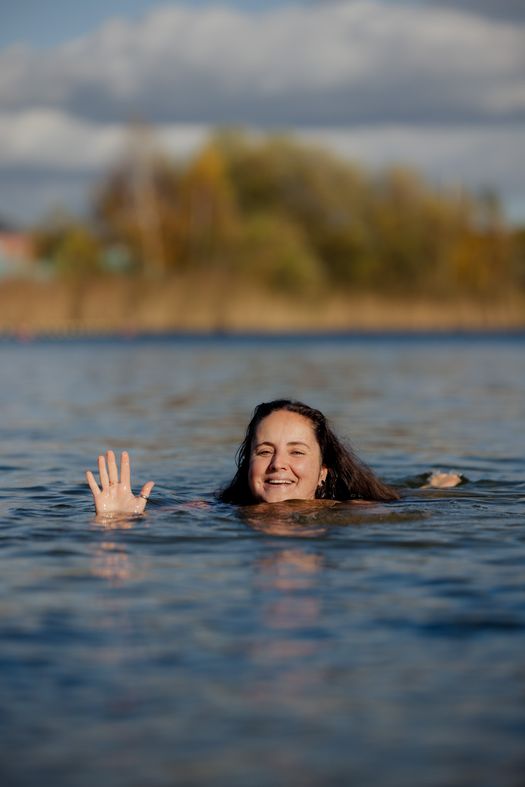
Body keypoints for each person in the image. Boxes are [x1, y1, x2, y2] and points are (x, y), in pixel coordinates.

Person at [86, 398, 461, 517]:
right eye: (264, 451)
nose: (278, 463)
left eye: (297, 452)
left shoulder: (353, 509)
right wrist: (119, 520)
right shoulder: (218, 508)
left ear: (323, 473)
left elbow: (400, 506)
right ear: (248, 463)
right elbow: (157, 515)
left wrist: (436, 490)